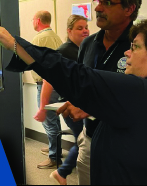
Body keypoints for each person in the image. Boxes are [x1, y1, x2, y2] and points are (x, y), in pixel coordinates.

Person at [0, 18, 147, 185]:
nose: (127, 53)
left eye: (135, 47)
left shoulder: (141, 90)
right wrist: (95, 110)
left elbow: (77, 76)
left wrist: (16, 44)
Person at [55, 0, 145, 183]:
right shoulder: (88, 44)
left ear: (129, 9)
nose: (98, 9)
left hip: (126, 145)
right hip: (89, 140)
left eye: (107, 3)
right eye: (98, 1)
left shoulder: (141, 45)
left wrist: (92, 108)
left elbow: (143, 99)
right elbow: (81, 85)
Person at [48, 15, 90, 184]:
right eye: (79, 28)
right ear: (69, 31)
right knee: (84, 141)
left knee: (84, 141)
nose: (85, 30)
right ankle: (62, 172)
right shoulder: (65, 50)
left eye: (86, 27)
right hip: (71, 106)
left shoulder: (85, 48)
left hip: (84, 105)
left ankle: (62, 172)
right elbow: (51, 78)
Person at [27, 10, 64, 169]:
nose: (32, 22)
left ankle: (54, 157)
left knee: (49, 122)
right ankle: (55, 148)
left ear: (38, 20)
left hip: (46, 85)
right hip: (57, 85)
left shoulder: (39, 39)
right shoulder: (56, 37)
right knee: (53, 119)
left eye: (33, 19)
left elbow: (32, 62)